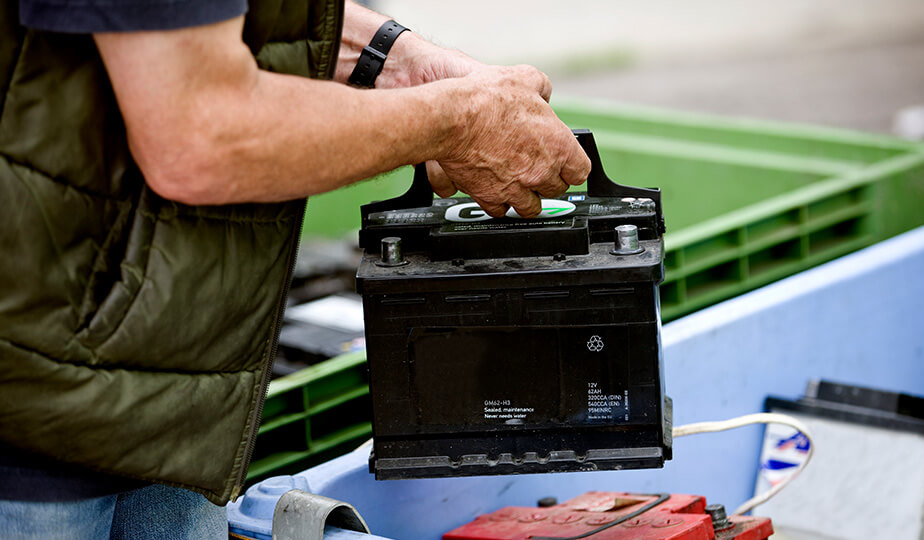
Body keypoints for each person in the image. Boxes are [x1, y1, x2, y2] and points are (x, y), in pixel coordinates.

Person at [0, 0, 590, 537]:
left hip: (176, 389)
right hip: (34, 410)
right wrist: (457, 120)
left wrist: (397, 61)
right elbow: (202, 133)